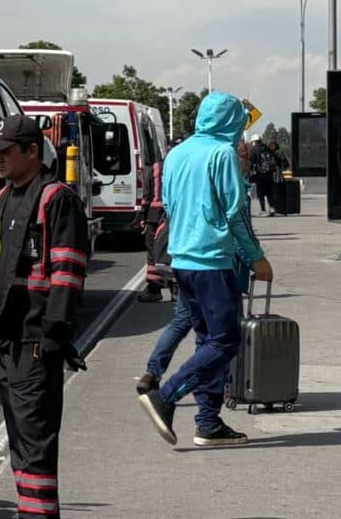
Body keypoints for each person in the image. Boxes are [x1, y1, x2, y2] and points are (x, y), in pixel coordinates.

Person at [139, 92, 273, 448]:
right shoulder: (222, 154)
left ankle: (208, 422)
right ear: (229, 121)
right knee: (225, 341)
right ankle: (165, 397)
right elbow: (234, 213)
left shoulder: (177, 153)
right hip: (213, 260)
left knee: (206, 340)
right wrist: (255, 256)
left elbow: (168, 202)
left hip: (181, 259)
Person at [0, 115, 89, 519]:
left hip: (36, 342)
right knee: (21, 441)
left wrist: (54, 334)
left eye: (6, 152)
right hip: (8, 340)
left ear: (32, 152)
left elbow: (68, 271)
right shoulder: (2, 198)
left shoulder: (56, 198)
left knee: (36, 441)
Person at [135, 138, 259, 396]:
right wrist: (256, 259)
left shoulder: (184, 171)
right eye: (245, 157)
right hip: (220, 270)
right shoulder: (232, 191)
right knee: (222, 338)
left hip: (186, 262)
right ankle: (186, 390)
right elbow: (236, 233)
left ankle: (153, 372)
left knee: (184, 322)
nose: (248, 162)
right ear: (234, 160)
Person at [136, 157, 170, 303]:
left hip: (153, 216)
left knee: (152, 254)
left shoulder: (152, 168)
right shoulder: (178, 165)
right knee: (171, 251)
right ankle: (175, 290)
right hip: (171, 215)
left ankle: (154, 289)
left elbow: (146, 195)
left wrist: (142, 215)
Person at [249, 135, 278, 216]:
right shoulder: (267, 148)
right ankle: (272, 208)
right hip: (270, 174)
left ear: (254, 141)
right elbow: (276, 158)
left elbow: (251, 162)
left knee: (261, 193)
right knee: (269, 192)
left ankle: (263, 210)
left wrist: (250, 172)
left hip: (260, 174)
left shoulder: (254, 150)